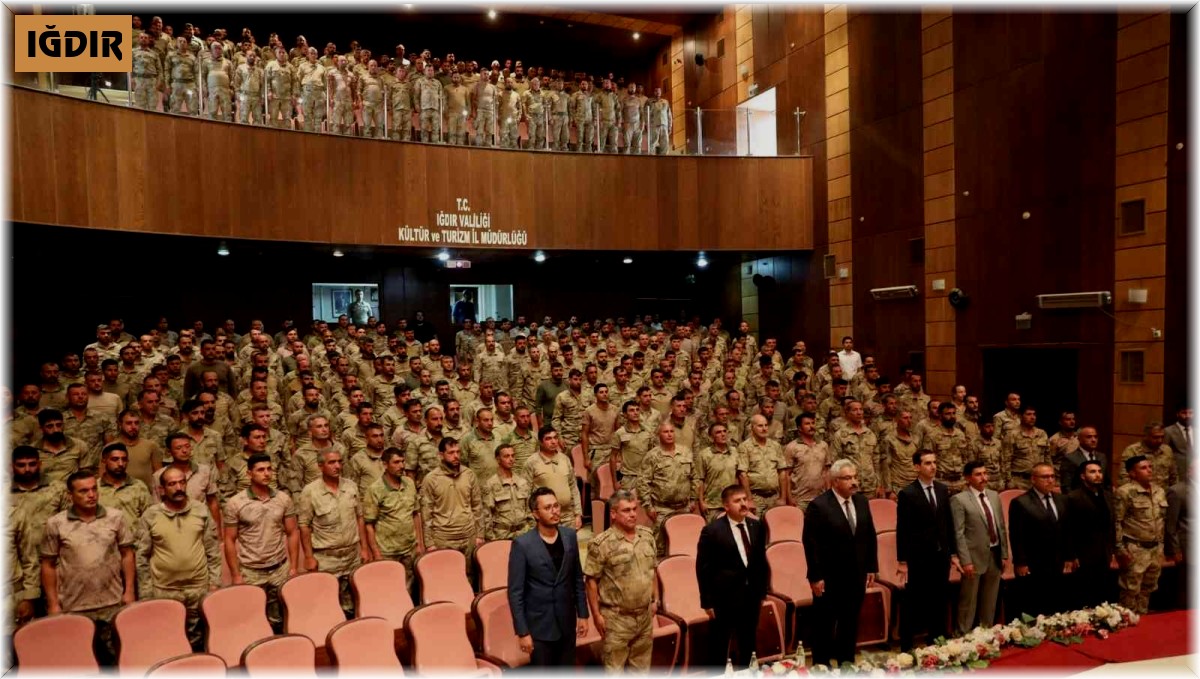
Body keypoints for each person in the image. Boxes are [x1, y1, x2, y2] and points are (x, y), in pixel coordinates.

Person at [41, 471, 136, 664]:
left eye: (94, 489)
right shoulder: (56, 524)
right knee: (80, 661)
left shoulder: (115, 517)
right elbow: (48, 565)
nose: (91, 495)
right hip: (74, 606)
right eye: (83, 491)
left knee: (118, 659)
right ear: (70, 495)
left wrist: (129, 591)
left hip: (112, 603)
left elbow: (127, 554)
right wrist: (53, 604)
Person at [802, 459, 877, 668]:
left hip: (856, 575)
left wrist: (871, 566)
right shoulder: (819, 506)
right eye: (848, 478)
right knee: (825, 625)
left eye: (855, 477)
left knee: (850, 623)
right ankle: (821, 667)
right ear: (835, 481)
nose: (854, 482)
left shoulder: (861, 501)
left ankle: (846, 665)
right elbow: (811, 544)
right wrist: (815, 576)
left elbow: (869, 535)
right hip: (829, 578)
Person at [137, 466, 222, 649]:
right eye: (172, 484)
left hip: (198, 588)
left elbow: (213, 550)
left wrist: (214, 583)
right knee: (168, 638)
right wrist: (146, 593)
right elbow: (141, 557)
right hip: (164, 590)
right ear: (162, 489)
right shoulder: (150, 515)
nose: (178, 488)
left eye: (182, 482)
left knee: (200, 638)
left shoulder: (201, 510)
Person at [508, 487, 590, 666]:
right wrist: (522, 632)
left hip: (567, 623)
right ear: (535, 514)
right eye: (548, 508)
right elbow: (515, 593)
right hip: (539, 628)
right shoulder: (522, 544)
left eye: (556, 506)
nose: (554, 511)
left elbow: (577, 578)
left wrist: (583, 614)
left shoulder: (569, 536)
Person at [584, 490, 658, 672]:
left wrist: (655, 599)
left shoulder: (647, 536)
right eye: (626, 510)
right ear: (613, 514)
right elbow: (591, 581)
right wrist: (597, 616)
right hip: (616, 619)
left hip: (644, 617)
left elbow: (652, 569)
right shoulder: (601, 544)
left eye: (634, 509)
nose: (632, 514)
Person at [223, 453, 298, 629]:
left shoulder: (283, 499)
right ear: (249, 474)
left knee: (282, 617)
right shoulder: (235, 503)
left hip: (279, 568)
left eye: (269, 469)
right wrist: (236, 575)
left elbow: (292, 533)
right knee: (253, 618)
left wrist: (293, 567)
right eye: (260, 470)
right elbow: (229, 540)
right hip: (251, 571)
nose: (266, 473)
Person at [696, 484, 769, 667]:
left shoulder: (757, 526)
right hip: (724, 598)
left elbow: (761, 561)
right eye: (737, 501)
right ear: (726, 506)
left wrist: (762, 591)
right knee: (719, 645)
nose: (743, 504)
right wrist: (707, 601)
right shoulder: (712, 531)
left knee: (748, 643)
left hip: (751, 596)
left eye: (745, 499)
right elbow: (703, 569)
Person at [895, 451, 957, 652]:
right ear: (917, 467)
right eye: (928, 463)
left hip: (941, 555)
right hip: (919, 557)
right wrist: (902, 560)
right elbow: (903, 529)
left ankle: (937, 641)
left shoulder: (942, 489)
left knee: (939, 600)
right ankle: (906, 646)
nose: (933, 466)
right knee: (914, 602)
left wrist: (953, 553)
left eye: (934, 462)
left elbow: (948, 523)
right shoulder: (907, 493)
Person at [297, 449, 370, 614]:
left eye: (339, 462)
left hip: (352, 555)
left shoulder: (351, 486)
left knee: (356, 601)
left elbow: (359, 517)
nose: (337, 466)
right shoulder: (310, 492)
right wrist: (308, 557)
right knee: (328, 604)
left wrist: (364, 548)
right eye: (331, 462)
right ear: (320, 466)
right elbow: (304, 526)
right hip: (326, 559)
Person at [950, 460, 1008, 635]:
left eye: (985, 473)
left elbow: (1001, 527)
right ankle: (963, 636)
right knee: (969, 600)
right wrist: (965, 560)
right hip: (973, 557)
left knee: (990, 600)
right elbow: (958, 533)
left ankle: (985, 635)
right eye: (978, 474)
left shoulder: (994, 495)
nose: (984, 478)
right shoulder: (959, 499)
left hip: (994, 553)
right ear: (968, 478)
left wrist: (1004, 554)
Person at [1008, 463, 1073, 617]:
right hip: (1034, 561)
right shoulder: (1021, 502)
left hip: (1057, 560)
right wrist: (1020, 562)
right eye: (1045, 477)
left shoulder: (1062, 499)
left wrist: (1069, 556)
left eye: (1052, 476)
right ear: (1033, 479)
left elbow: (1067, 530)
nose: (1050, 480)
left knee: (1056, 602)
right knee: (1035, 604)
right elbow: (1017, 535)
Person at [420, 437, 486, 580]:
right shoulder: (431, 479)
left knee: (469, 577)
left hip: (468, 536)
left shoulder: (469, 474)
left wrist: (480, 534)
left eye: (458, 452)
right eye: (451, 452)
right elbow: (426, 514)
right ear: (441, 455)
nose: (456, 456)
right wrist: (429, 543)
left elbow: (477, 506)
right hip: (444, 538)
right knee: (446, 579)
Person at [1114, 455, 1168, 614]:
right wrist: (1120, 549)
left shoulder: (1159, 491)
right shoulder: (1125, 492)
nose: (1149, 470)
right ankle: (1127, 621)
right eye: (1143, 468)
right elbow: (1117, 522)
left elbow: (1162, 520)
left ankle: (1143, 620)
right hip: (1135, 548)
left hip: (1155, 548)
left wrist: (1161, 546)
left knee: (1148, 588)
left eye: (1150, 467)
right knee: (1130, 590)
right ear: (1132, 473)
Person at [362, 447, 422, 592]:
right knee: (390, 591)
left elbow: (415, 514)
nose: (401, 466)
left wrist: (419, 543)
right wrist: (376, 553)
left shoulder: (409, 483)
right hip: (388, 552)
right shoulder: (375, 489)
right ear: (385, 464)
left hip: (409, 549)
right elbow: (369, 524)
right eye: (396, 462)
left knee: (411, 590)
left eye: (402, 461)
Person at [1065, 460, 1117, 608]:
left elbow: (1111, 525)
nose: (1098, 475)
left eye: (1100, 471)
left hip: (1104, 552)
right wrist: (1071, 555)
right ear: (1083, 476)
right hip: (1083, 553)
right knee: (1084, 593)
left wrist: (1112, 550)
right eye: (1092, 472)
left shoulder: (1107, 496)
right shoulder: (1073, 497)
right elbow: (1068, 528)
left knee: (1103, 592)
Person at [1058, 425, 1108, 491]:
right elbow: (1066, 486)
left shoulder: (1102, 457)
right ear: (1079, 439)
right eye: (1089, 437)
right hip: (1079, 496)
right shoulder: (1070, 458)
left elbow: (1107, 482)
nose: (1093, 440)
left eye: (1095, 437)